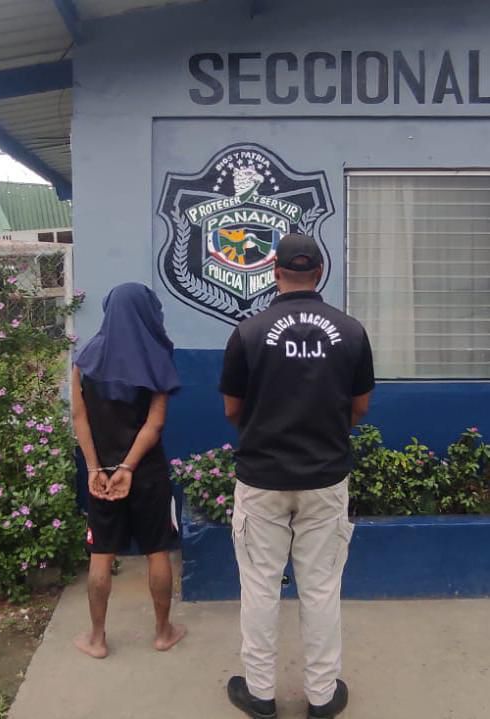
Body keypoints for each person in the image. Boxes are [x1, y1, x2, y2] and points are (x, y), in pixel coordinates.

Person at [220, 234, 375, 719]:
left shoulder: (247, 333)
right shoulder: (351, 332)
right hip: (325, 478)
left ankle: (261, 694)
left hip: (261, 479)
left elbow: (232, 410)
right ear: (320, 272)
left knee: (260, 588)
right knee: (321, 588)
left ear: (274, 272)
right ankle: (323, 697)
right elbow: (360, 407)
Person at [71, 282, 185, 658]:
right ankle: (163, 633)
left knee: (101, 552)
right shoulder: (157, 358)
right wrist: (129, 467)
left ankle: (97, 638)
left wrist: (95, 469)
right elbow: (155, 424)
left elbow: (79, 417)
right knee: (157, 549)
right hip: (146, 473)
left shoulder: (84, 359)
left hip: (102, 475)